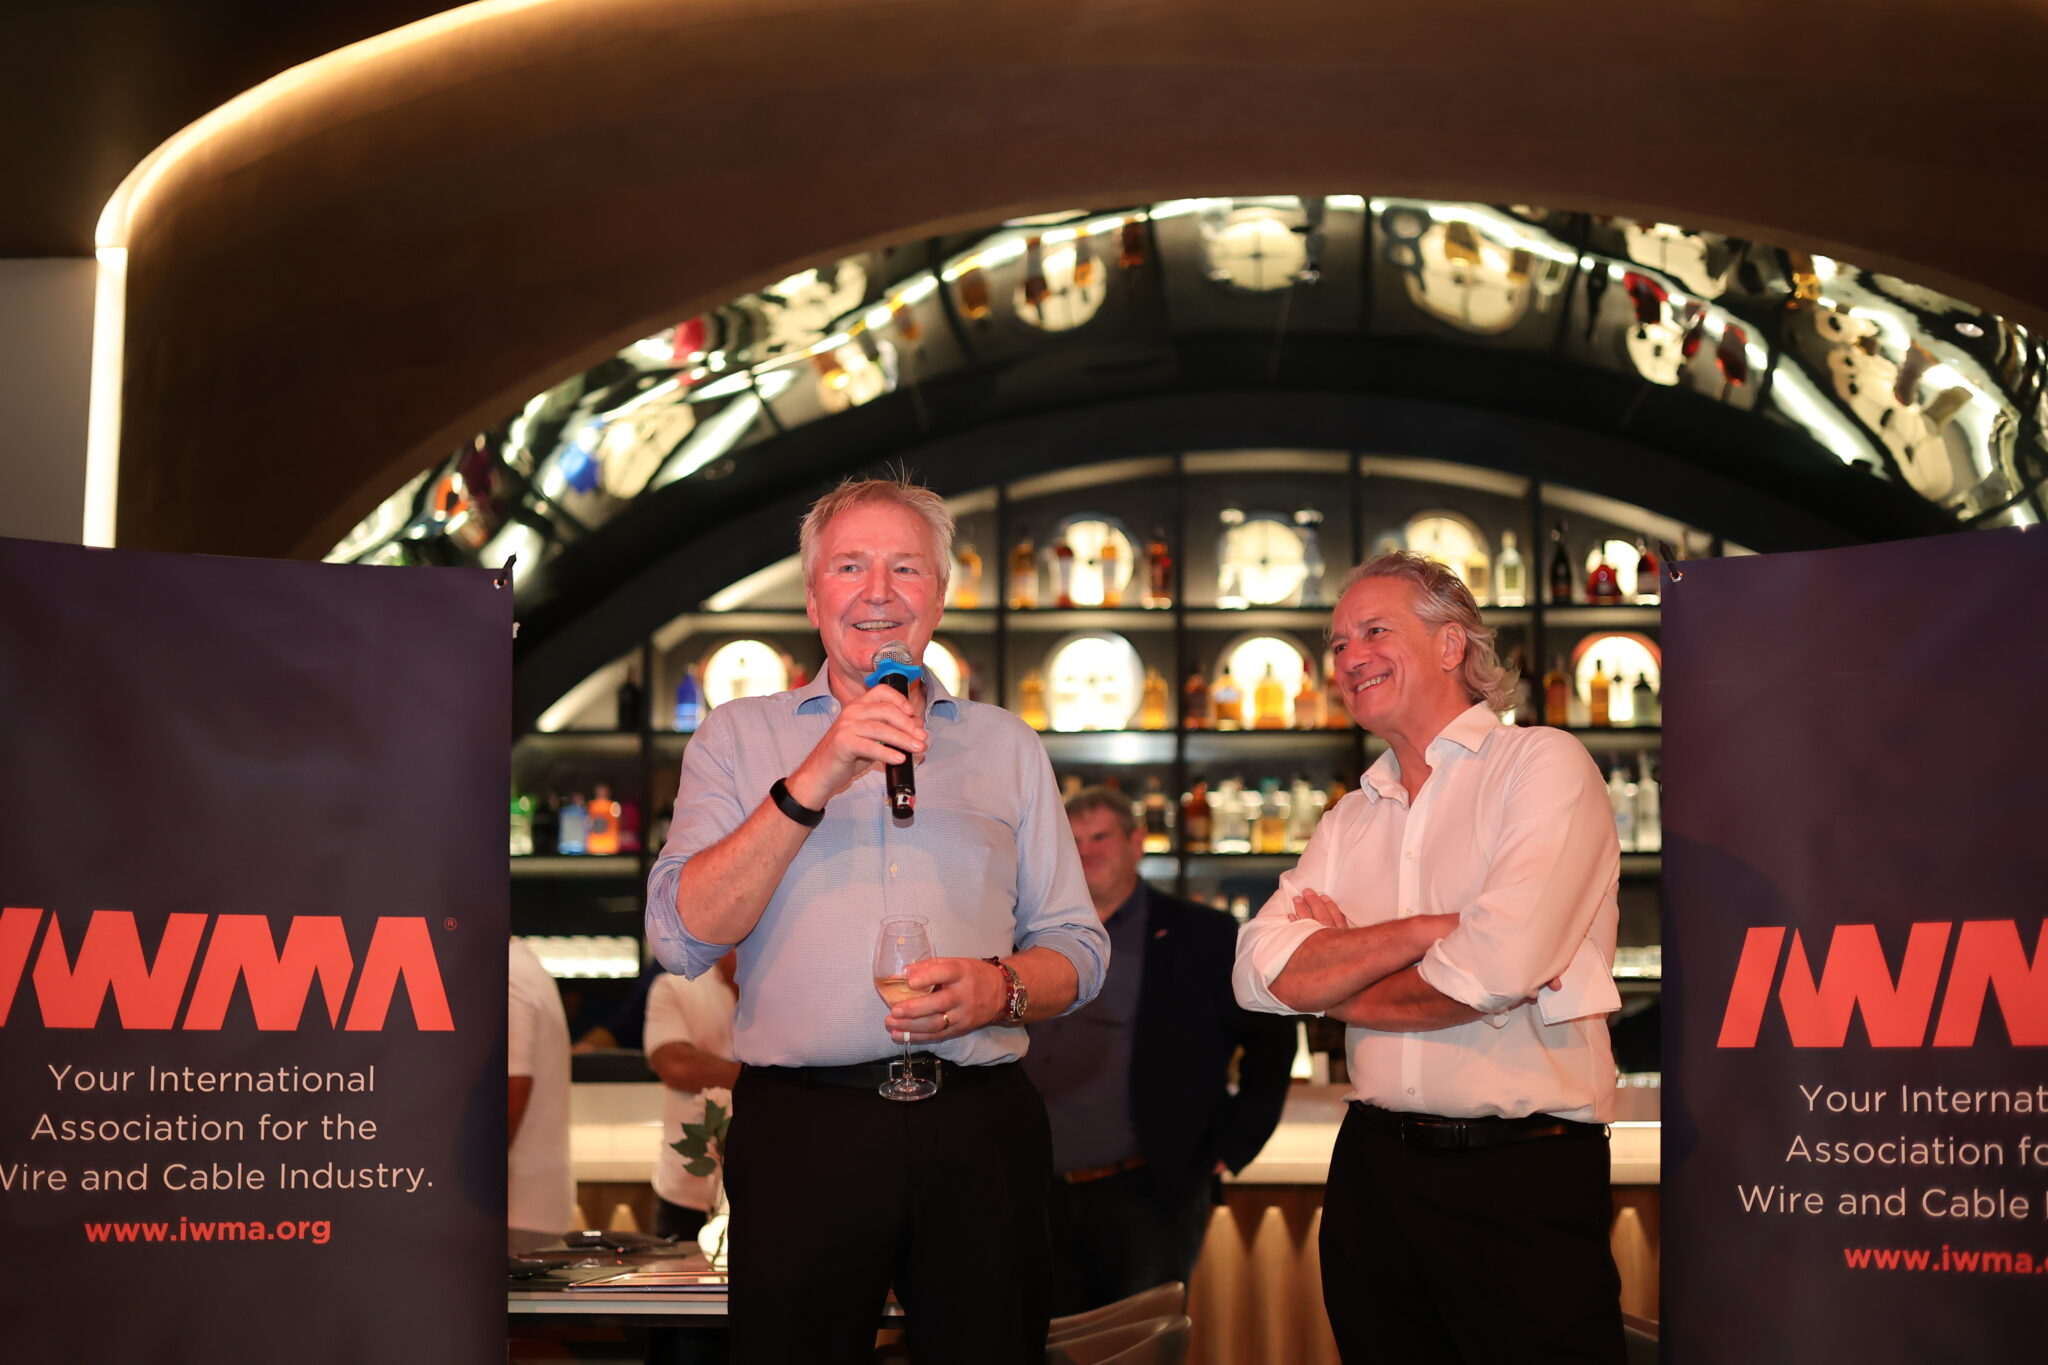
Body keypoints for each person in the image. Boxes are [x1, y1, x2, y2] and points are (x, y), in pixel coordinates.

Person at [645, 475, 1109, 1365]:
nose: (879, 592)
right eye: (850, 566)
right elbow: (679, 935)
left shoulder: (1006, 744)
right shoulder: (738, 738)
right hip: (805, 1131)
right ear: (812, 594)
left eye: (906, 567)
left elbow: (1079, 948)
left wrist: (1001, 987)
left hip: (981, 1126)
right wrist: (817, 773)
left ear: (940, 593)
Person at [1233, 551, 1626, 1364]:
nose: (1350, 657)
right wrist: (1427, 930)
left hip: (1520, 1175)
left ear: (1452, 645)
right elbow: (1258, 973)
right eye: (1338, 643)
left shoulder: (1541, 765)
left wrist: (1336, 982)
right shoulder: (1349, 818)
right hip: (1372, 1173)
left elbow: (1490, 971)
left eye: (1375, 630)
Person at [1024, 786, 1294, 1314]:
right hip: (1034, 1193)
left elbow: (1274, 1038)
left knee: (1141, 1343)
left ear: (1136, 843)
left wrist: (1235, 1141)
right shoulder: (1028, 931)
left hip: (1149, 1192)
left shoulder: (1203, 935)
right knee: (1038, 1343)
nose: (1087, 852)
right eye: (1074, 841)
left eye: (1100, 837)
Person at [642, 951, 739, 1241]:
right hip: (687, 1191)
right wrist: (770, 1078)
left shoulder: (786, 992)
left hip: (769, 1188)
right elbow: (676, 1065)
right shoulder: (675, 986)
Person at [507, 936, 575, 1238]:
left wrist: (463, 1189)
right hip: (532, 1204)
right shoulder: (524, 967)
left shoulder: (508, 976)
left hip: (514, 1207)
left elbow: (513, 1087)